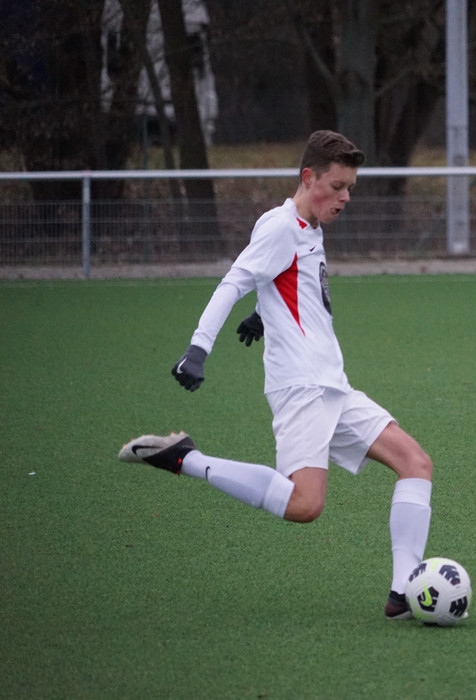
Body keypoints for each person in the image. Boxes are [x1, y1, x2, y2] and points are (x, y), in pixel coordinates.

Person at [118, 131, 432, 620]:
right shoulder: (280, 226)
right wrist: (198, 349)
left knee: (416, 463)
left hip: (333, 385)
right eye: (337, 186)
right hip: (301, 389)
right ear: (308, 178)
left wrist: (264, 314)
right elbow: (234, 282)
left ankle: (403, 594)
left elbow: (293, 287)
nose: (345, 197)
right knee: (305, 505)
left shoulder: (311, 228)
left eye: (350, 188)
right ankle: (184, 458)